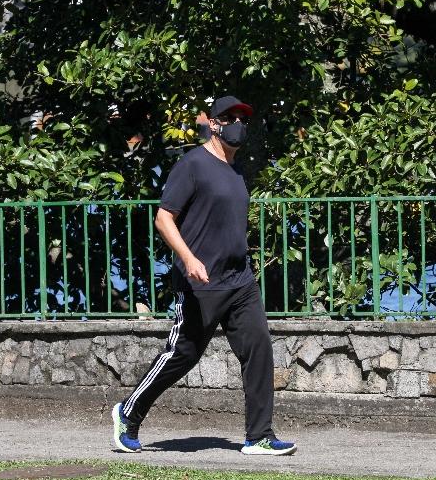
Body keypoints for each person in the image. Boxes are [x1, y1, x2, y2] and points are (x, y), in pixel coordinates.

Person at [111, 95, 297, 456]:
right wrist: (189, 258)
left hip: (239, 280)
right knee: (182, 355)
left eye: (242, 118)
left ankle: (258, 435)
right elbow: (164, 219)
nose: (237, 124)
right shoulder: (193, 164)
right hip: (201, 283)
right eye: (229, 118)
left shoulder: (236, 170)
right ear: (212, 123)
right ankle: (128, 413)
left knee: (258, 350)